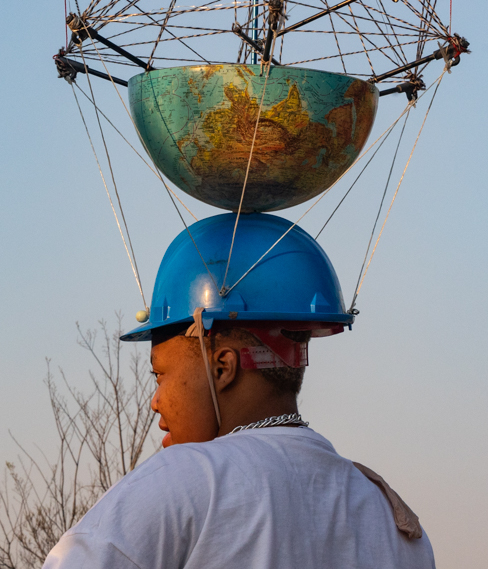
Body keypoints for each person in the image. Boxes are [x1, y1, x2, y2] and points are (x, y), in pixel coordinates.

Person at [40, 213, 435, 569]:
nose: (154, 402)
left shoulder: (184, 480)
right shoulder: (394, 523)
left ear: (223, 368)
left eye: (159, 375)